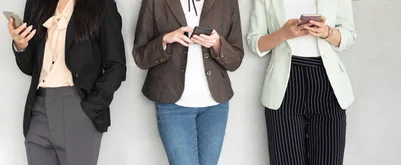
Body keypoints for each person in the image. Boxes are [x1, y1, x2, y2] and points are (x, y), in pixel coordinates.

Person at [6, 0, 126, 164]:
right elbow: (30, 67)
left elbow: (116, 66)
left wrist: (90, 107)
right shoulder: (36, 3)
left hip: (78, 108)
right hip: (39, 110)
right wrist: (21, 46)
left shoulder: (101, 4)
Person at [132, 0, 244, 164]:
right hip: (172, 103)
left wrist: (218, 44)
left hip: (215, 106)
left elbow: (236, 60)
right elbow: (141, 57)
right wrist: (165, 39)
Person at [247, 0, 357, 164]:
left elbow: (349, 35)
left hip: (327, 85)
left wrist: (327, 32)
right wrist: (284, 33)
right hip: (284, 87)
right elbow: (255, 43)